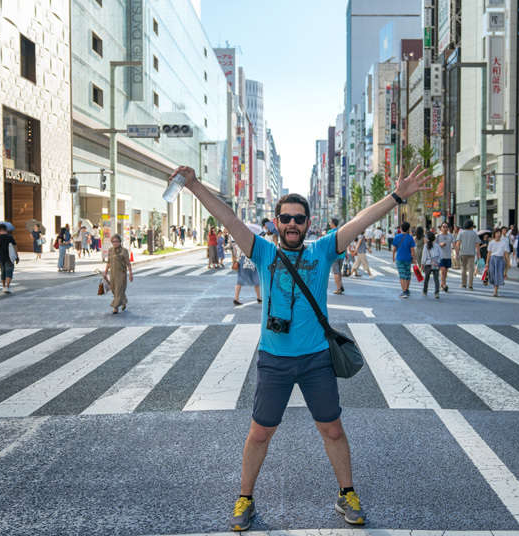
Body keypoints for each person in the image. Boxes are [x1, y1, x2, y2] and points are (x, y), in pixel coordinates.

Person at [169, 162, 430, 531]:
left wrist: (397, 197)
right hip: (274, 360)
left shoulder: (323, 252)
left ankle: (347, 493)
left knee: (333, 430)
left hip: (316, 360)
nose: (292, 224)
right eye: (286, 218)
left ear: (308, 224)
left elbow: (360, 221)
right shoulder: (262, 253)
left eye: (299, 218)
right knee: (260, 432)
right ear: (276, 222)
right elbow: (229, 220)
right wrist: (194, 186)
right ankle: (245, 498)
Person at [104, 233, 133, 314]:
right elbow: (108, 262)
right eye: (113, 242)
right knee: (113, 289)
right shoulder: (110, 250)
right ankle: (124, 301)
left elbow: (128, 263)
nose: (115, 243)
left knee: (118, 290)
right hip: (112, 274)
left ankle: (115, 307)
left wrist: (130, 274)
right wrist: (105, 273)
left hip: (121, 274)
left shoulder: (124, 251)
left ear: (120, 242)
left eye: (116, 241)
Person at [232, 240, 262, 306]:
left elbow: (237, 251)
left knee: (240, 279)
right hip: (250, 259)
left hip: (243, 260)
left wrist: (237, 260)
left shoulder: (240, 240)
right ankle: (259, 298)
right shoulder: (252, 239)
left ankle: (236, 298)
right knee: (256, 279)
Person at [392, 222, 416, 298]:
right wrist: (414, 259)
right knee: (408, 274)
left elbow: (394, 249)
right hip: (408, 259)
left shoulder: (397, 237)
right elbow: (412, 250)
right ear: (408, 229)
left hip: (399, 258)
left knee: (402, 275)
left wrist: (393, 257)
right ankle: (407, 290)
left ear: (401, 228)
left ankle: (404, 291)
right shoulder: (410, 238)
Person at [0, 223, 18, 293]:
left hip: (1, 257)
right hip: (9, 257)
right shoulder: (10, 237)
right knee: (9, 272)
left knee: (3, 272)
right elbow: (15, 246)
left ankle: (4, 287)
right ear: (6, 229)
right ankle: (7, 286)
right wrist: (17, 256)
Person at [455, 219, 479, 290]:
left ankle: (463, 284)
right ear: (471, 226)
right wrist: (478, 254)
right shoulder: (474, 233)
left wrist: (457, 253)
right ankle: (470, 285)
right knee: (471, 269)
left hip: (463, 253)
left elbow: (458, 244)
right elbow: (477, 245)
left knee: (464, 269)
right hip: (472, 253)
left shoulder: (461, 233)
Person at [486, 228, 509, 297]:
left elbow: (506, 253)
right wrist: (487, 263)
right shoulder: (491, 242)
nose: (498, 234)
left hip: (500, 259)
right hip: (492, 259)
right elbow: (489, 253)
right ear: (494, 234)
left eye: (499, 233)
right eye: (497, 233)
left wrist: (508, 262)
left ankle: (495, 291)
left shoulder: (504, 243)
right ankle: (494, 288)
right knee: (492, 275)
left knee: (498, 276)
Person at [420, 231, 442, 298]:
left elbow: (424, 256)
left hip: (428, 264)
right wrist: (438, 262)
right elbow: (441, 255)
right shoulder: (437, 246)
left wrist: (422, 265)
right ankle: (437, 293)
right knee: (436, 279)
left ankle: (425, 291)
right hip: (435, 263)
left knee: (426, 278)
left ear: (427, 238)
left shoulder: (425, 246)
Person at [328, 218, 345, 295]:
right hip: (342, 254)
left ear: (333, 223)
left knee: (336, 272)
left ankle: (338, 289)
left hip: (334, 255)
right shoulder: (341, 231)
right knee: (339, 272)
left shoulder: (330, 232)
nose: (329, 224)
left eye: (330, 223)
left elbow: (327, 244)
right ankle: (340, 286)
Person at [436, 222, 454, 292]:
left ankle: (442, 283)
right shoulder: (438, 236)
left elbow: (454, 244)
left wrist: (457, 253)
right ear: (441, 228)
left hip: (448, 256)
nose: (445, 228)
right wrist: (440, 244)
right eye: (443, 226)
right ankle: (444, 285)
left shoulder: (450, 236)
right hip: (440, 256)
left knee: (445, 272)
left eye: (446, 227)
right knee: (443, 270)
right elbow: (435, 245)